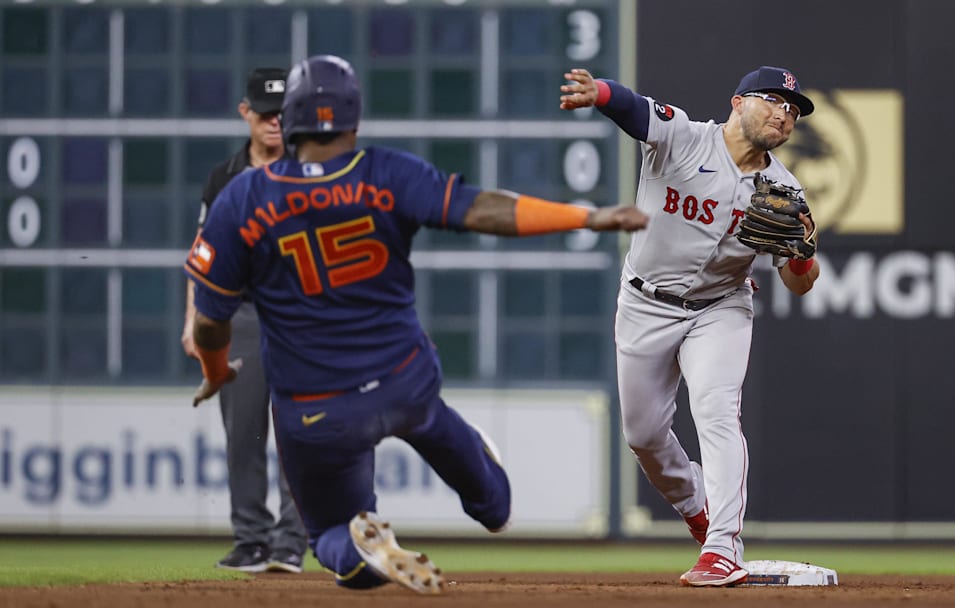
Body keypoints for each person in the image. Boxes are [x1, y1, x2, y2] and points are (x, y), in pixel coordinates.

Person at [183, 55, 647, 595]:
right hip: (404, 380)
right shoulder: (386, 173)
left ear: (288, 120)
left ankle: (361, 541)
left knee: (331, 535)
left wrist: (216, 370)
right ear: (354, 119)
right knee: (477, 480)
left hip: (315, 407)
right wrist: (585, 215)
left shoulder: (242, 197)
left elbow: (212, 319)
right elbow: (484, 211)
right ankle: (488, 500)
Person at [559, 65, 821, 587]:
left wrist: (801, 253)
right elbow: (635, 110)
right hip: (645, 304)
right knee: (643, 434)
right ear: (737, 102)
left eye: (791, 109)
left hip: (720, 307)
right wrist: (600, 93)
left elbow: (801, 283)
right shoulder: (684, 137)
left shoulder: (785, 189)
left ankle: (724, 546)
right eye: (772, 100)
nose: (783, 114)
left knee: (716, 410)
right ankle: (698, 512)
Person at [181, 67, 308, 574]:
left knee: (300, 429)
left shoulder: (310, 169)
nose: (274, 122)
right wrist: (194, 319)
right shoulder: (225, 176)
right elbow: (202, 254)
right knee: (244, 431)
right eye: (265, 113)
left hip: (301, 312)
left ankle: (291, 542)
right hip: (244, 311)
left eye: (282, 113)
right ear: (245, 113)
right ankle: (251, 540)